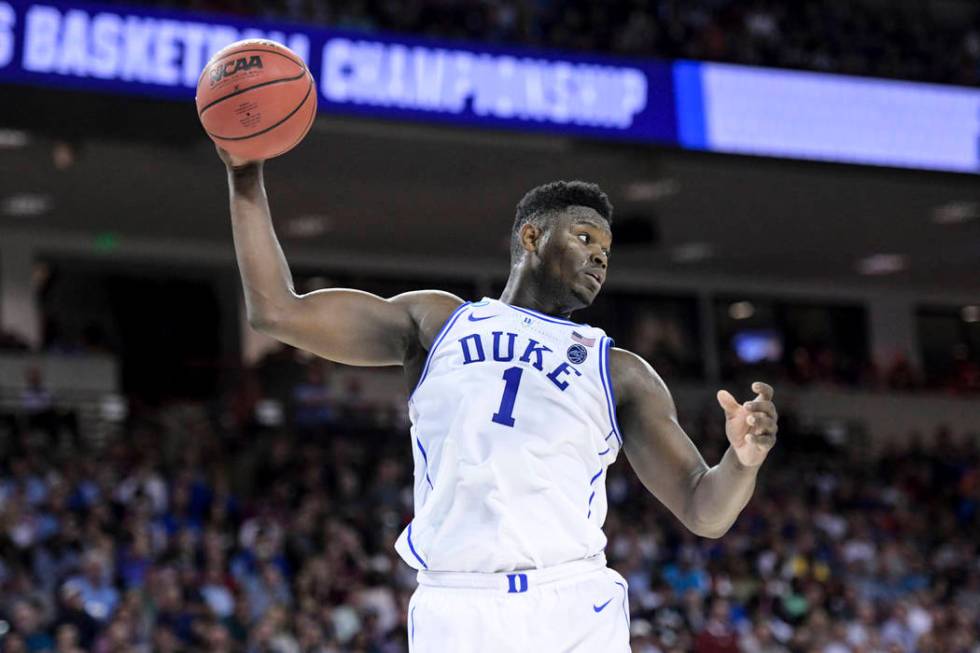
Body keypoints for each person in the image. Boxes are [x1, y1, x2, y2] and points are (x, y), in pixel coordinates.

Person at [218, 146, 779, 652]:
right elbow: (276, 312)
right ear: (532, 238)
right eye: (585, 237)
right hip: (458, 606)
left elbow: (705, 511)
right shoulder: (438, 322)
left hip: (573, 602)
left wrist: (741, 460)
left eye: (606, 248)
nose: (600, 257)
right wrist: (245, 178)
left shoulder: (620, 371)